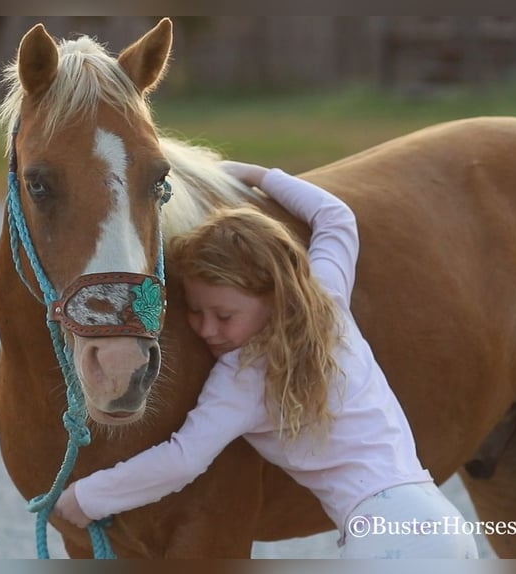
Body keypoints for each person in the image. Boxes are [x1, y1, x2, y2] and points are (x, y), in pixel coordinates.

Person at [53, 161, 478, 559]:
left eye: (224, 316)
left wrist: (89, 497)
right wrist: (258, 175)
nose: (206, 329)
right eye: (196, 312)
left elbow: (181, 459)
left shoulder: (246, 377)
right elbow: (336, 219)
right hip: (439, 521)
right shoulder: (327, 301)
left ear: (273, 300)